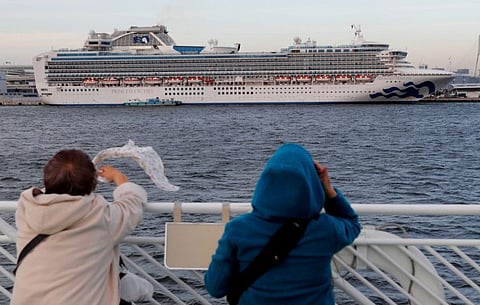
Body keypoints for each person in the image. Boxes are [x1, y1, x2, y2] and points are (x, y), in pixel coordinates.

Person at [204, 143, 361, 305]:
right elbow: (352, 223)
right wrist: (329, 191)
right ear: (311, 184)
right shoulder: (325, 229)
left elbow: (215, 287)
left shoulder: (238, 230)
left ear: (265, 183)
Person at [11, 149, 148, 305]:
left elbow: (51, 193)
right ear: (92, 184)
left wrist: (64, 177)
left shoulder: (27, 208)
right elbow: (132, 203)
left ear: (47, 178)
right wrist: (118, 177)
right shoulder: (101, 218)